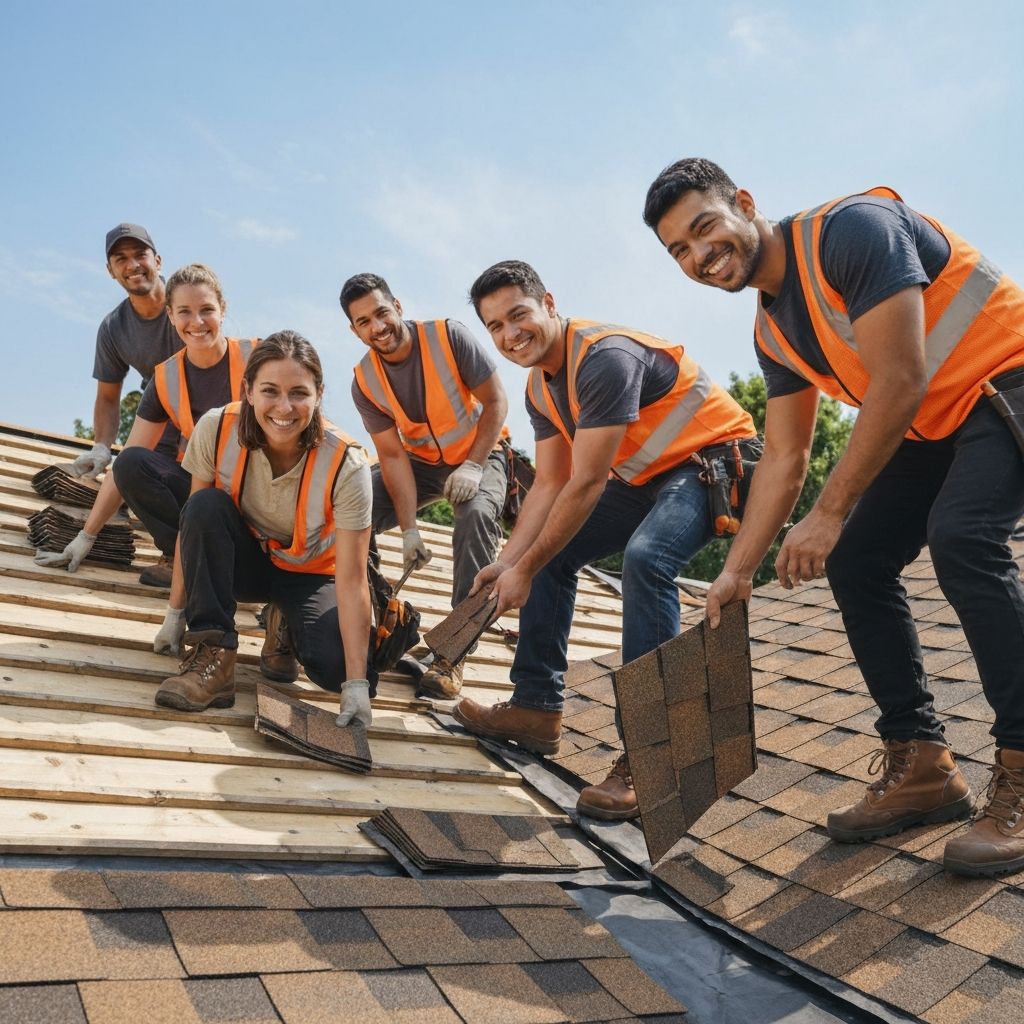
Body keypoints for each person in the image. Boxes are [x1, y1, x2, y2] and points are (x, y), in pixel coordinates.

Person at [643, 157, 1024, 876]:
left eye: (704, 229)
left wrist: (830, 510)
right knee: (856, 558)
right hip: (935, 422)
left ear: (745, 203)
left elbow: (901, 377)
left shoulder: (852, 232)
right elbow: (784, 458)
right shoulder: (773, 334)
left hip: (1009, 380)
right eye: (680, 251)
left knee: (963, 537)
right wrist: (736, 570)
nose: (699, 256)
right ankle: (923, 765)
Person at [452, 260, 760, 820]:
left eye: (517, 315)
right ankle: (535, 707)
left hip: (716, 463)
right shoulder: (540, 389)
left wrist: (525, 564)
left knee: (648, 559)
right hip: (648, 477)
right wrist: (510, 562)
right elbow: (549, 484)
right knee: (549, 555)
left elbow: (588, 481)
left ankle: (651, 755)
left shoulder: (603, 358)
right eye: (494, 326)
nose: (508, 334)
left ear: (548, 303)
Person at [155, 331, 373, 725]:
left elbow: (354, 577)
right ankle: (214, 657)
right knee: (204, 505)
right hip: (248, 564)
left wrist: (356, 685)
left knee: (334, 669)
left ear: (319, 394)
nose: (284, 408)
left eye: (299, 393)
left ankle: (283, 621)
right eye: (270, 390)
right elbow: (195, 525)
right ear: (249, 391)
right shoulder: (217, 427)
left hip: (310, 575)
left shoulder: (348, 463)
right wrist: (175, 613)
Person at [36, 265, 257, 603]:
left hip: (263, 499)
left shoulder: (258, 359)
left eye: (207, 310)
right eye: (185, 312)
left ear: (223, 310)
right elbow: (127, 465)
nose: (197, 322)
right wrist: (86, 536)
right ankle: (179, 556)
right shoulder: (166, 379)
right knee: (131, 463)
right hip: (208, 497)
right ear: (170, 316)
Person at [342, 272, 510, 698]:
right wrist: (410, 530)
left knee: (475, 516)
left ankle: (454, 654)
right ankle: (372, 618)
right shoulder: (365, 381)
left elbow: (495, 402)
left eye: (381, 312)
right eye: (363, 321)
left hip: (481, 453)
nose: (377, 326)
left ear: (397, 306)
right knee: (349, 503)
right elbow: (394, 456)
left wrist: (473, 465)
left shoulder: (449, 337)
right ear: (353, 329)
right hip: (418, 464)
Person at [71, 223, 182, 481]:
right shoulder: (113, 329)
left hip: (211, 417)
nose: (132, 265)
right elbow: (108, 397)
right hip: (161, 428)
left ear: (157, 260)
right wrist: (101, 447)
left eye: (140, 255)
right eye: (121, 259)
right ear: (111, 271)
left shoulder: (188, 301)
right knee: (133, 481)